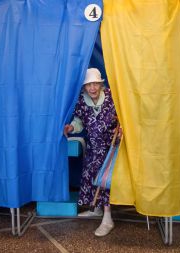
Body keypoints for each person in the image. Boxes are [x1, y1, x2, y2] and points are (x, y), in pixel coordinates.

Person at [64, 68, 119, 237]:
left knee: (105, 182)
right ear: (84, 87)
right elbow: (79, 121)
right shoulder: (82, 101)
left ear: (101, 84)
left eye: (95, 84)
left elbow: (123, 116)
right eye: (88, 85)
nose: (92, 88)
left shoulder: (111, 97)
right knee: (91, 177)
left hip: (111, 148)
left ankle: (108, 219)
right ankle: (96, 210)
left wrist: (122, 125)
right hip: (93, 148)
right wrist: (71, 127)